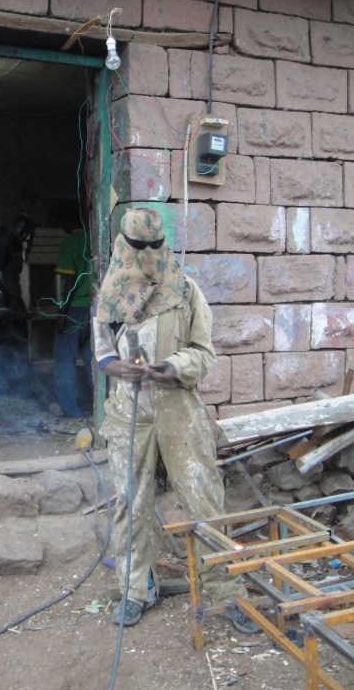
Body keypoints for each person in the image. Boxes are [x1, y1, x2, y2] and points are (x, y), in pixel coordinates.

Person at [93, 207, 260, 633]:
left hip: (177, 408)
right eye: (138, 248)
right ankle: (136, 590)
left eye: (155, 246)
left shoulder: (185, 289)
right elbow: (101, 352)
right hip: (129, 411)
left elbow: (205, 353)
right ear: (122, 246)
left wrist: (172, 366)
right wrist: (117, 367)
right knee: (131, 504)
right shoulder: (110, 292)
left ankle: (225, 593)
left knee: (204, 496)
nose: (147, 256)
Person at [54, 224, 93, 418]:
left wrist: (62, 314)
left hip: (74, 309)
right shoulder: (94, 238)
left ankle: (72, 412)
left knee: (64, 359)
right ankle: (101, 409)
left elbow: (70, 281)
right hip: (93, 309)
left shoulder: (70, 242)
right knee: (92, 359)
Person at [0, 214, 34, 311]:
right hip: (2, 296)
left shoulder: (17, 244)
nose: (24, 236)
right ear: (14, 228)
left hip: (13, 293)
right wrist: (4, 291)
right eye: (21, 232)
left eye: (26, 233)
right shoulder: (6, 243)